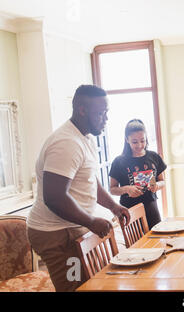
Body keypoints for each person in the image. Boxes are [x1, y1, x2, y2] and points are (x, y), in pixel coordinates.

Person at [26, 85, 130, 292]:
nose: (106, 119)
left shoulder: (84, 138)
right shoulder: (66, 143)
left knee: (91, 281)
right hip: (54, 233)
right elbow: (54, 197)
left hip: (71, 226)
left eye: (107, 112)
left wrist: (113, 207)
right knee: (73, 286)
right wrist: (90, 221)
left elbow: (91, 180)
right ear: (82, 110)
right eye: (101, 113)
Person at [109, 119, 167, 229]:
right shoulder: (119, 161)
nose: (140, 145)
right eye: (135, 142)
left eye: (143, 140)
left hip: (151, 206)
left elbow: (162, 181)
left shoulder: (154, 157)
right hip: (129, 210)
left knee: (156, 240)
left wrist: (157, 186)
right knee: (136, 244)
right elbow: (112, 189)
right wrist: (127, 189)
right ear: (127, 140)